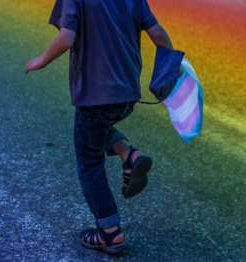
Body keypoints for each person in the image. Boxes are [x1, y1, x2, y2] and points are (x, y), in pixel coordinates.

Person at [25, 0, 182, 254]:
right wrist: (169, 72)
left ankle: (110, 233)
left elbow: (66, 38)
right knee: (94, 129)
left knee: (89, 161)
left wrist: (41, 61)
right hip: (128, 94)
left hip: (96, 95)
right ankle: (128, 154)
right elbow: (159, 35)